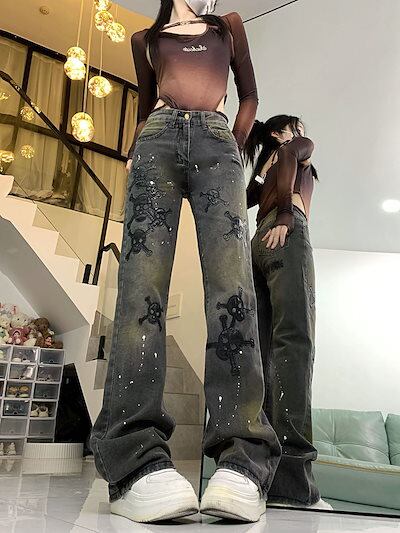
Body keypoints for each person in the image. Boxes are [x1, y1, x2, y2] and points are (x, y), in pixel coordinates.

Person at [90, 0, 281, 524]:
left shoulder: (228, 27)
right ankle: (134, 462)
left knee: (232, 288)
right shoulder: (144, 39)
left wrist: (232, 142)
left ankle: (243, 459)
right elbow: (143, 103)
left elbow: (250, 94)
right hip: (156, 142)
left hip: (218, 143)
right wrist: (136, 145)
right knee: (140, 289)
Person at [244, 115, 331, 509]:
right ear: (282, 132)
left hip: (257, 244)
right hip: (285, 230)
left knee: (262, 353)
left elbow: (247, 197)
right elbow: (291, 159)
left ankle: (258, 475)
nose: (303, 133)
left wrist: (267, 171)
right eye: (297, 127)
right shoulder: (296, 149)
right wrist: (284, 215)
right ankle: (292, 483)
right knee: (294, 342)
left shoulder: (275, 162)